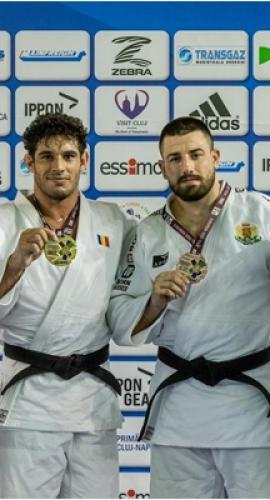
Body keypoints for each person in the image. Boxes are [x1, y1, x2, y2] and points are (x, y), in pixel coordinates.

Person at [106, 117, 270, 498]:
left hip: (249, 402)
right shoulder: (148, 232)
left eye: (195, 154)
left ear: (215, 157)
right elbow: (119, 319)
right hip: (179, 407)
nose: (186, 166)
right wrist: (154, 300)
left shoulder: (262, 214)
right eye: (174, 158)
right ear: (162, 168)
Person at [0, 113, 134, 498]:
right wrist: (14, 266)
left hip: (92, 402)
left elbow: (131, 294)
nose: (58, 166)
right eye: (46, 156)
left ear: (84, 160)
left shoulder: (113, 220)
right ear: (29, 162)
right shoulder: (5, 222)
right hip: (29, 402)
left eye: (69, 156)